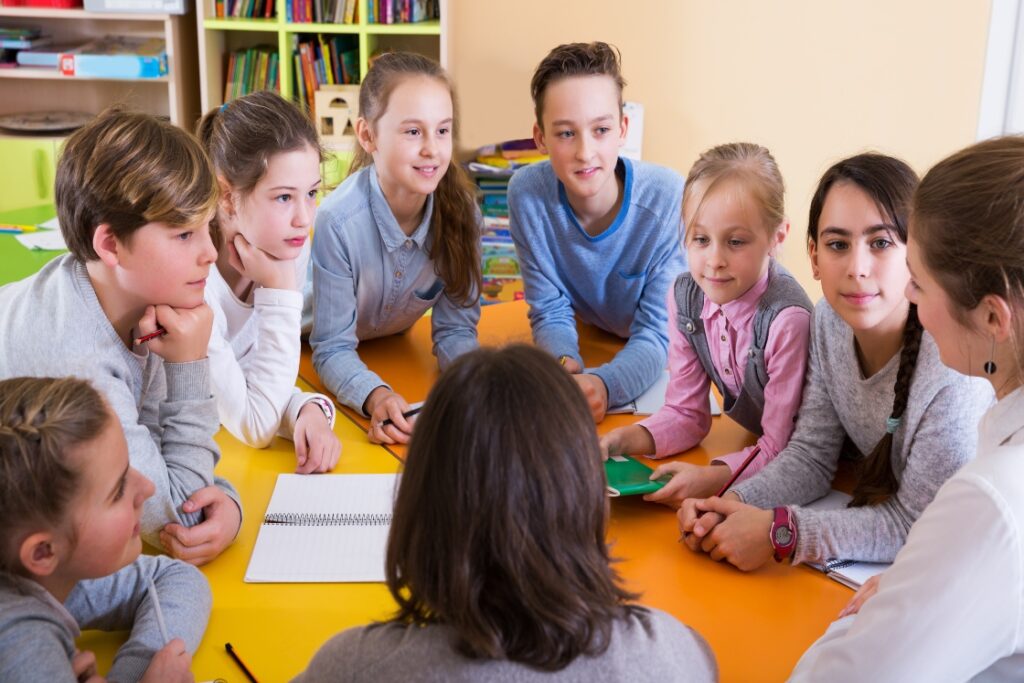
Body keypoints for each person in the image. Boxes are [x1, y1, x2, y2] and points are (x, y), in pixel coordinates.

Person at [293, 345, 716, 682]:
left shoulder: (350, 667)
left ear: (420, 507)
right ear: (588, 498)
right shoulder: (661, 654)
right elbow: (701, 659)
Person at [678, 153, 992, 571]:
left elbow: (919, 523)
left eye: (880, 243)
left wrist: (782, 532)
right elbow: (810, 455)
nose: (856, 269)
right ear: (813, 255)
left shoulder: (952, 366)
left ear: (917, 256)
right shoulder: (827, 320)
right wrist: (731, 504)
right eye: (837, 245)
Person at [791, 136, 1024, 681]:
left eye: (917, 282)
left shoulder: (991, 499)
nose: (909, 299)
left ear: (992, 320)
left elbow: (852, 675)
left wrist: (900, 596)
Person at [0, 109, 241, 565]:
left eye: (207, 227)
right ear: (110, 244)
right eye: (184, 234)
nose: (211, 253)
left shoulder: (130, 298)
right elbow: (176, 519)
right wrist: (188, 368)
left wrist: (226, 500)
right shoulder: (78, 366)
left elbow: (159, 459)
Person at [601, 142, 812, 505]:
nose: (714, 260)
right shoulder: (686, 297)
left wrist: (711, 478)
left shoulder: (786, 320)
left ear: (777, 237)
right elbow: (687, 413)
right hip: (758, 455)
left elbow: (783, 448)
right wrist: (619, 440)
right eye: (700, 239)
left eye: (735, 241)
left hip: (818, 471)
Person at [508, 41, 686, 423]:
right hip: (596, 341)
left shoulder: (668, 197)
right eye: (566, 134)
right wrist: (563, 365)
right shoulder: (526, 195)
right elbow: (550, 309)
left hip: (679, 349)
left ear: (622, 129)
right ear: (540, 138)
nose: (585, 152)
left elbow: (657, 334)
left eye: (600, 129)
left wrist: (604, 386)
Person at [311, 51, 481, 446]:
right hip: (310, 347)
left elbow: (456, 328)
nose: (433, 150)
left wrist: (473, 383)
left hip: (390, 348)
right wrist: (377, 395)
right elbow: (331, 346)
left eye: (442, 131)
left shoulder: (462, 214)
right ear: (368, 135)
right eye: (412, 132)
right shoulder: (337, 222)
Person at [0, 376, 210, 682]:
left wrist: (131, 674)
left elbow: (177, 578)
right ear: (43, 552)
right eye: (118, 489)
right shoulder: (22, 647)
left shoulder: (47, 574)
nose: (147, 488)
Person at [197, 91, 341, 474]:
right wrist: (280, 290)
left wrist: (303, 408)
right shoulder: (193, 283)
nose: (304, 218)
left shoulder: (282, 246)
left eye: (311, 194)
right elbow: (255, 425)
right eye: (283, 198)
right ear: (227, 195)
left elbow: (247, 376)